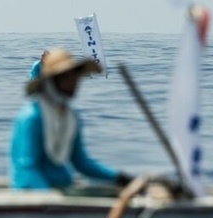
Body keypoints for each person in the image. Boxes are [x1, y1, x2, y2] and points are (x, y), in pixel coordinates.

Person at [10, 48, 131, 190]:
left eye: (75, 77)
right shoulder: (32, 117)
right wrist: (49, 198)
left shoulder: (71, 116)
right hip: (33, 195)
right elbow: (27, 169)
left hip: (63, 188)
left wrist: (120, 178)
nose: (74, 83)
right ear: (52, 81)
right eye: (67, 78)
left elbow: (81, 163)